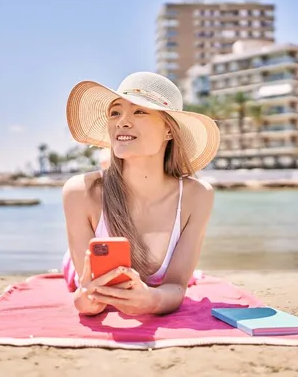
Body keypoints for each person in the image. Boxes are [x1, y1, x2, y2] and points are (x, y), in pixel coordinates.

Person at [61, 71, 220, 317]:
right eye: (115, 112)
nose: (121, 121)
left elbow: (176, 286)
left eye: (139, 111)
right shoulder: (81, 192)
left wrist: (151, 300)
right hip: (75, 267)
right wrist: (88, 299)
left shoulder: (196, 196)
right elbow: (84, 295)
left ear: (169, 130)